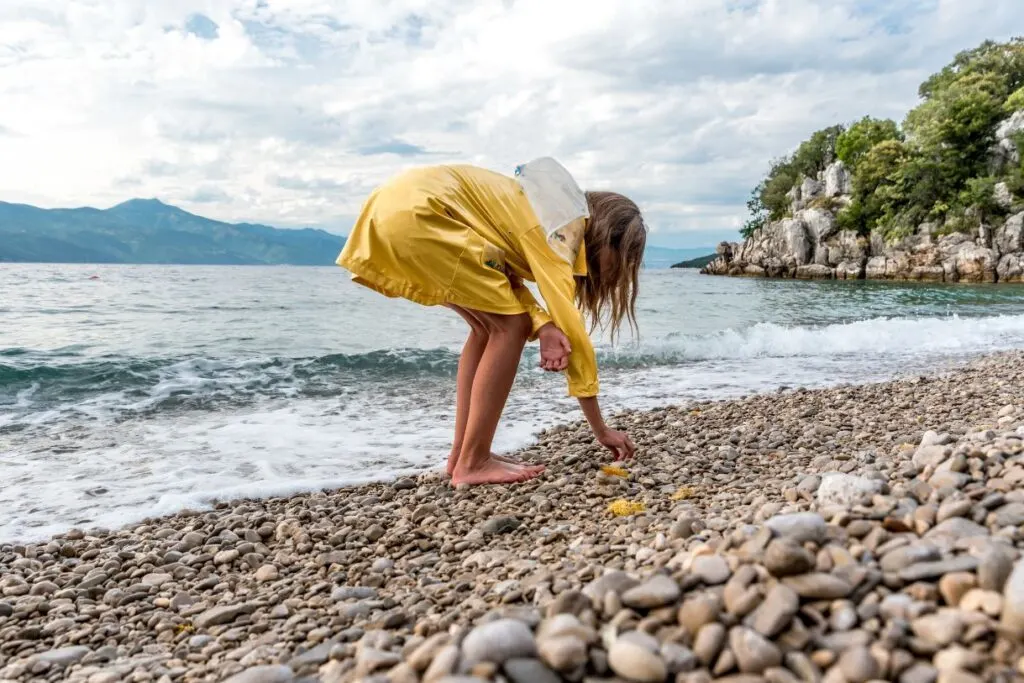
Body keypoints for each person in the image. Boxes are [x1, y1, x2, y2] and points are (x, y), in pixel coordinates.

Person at [337, 157, 644, 485]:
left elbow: (507, 284)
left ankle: (462, 455)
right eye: (625, 255)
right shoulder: (563, 230)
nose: (622, 268)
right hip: (424, 215)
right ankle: (474, 461)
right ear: (607, 233)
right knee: (509, 327)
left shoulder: (539, 207)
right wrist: (600, 427)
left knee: (489, 328)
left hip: (396, 207)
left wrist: (542, 325)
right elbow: (572, 329)